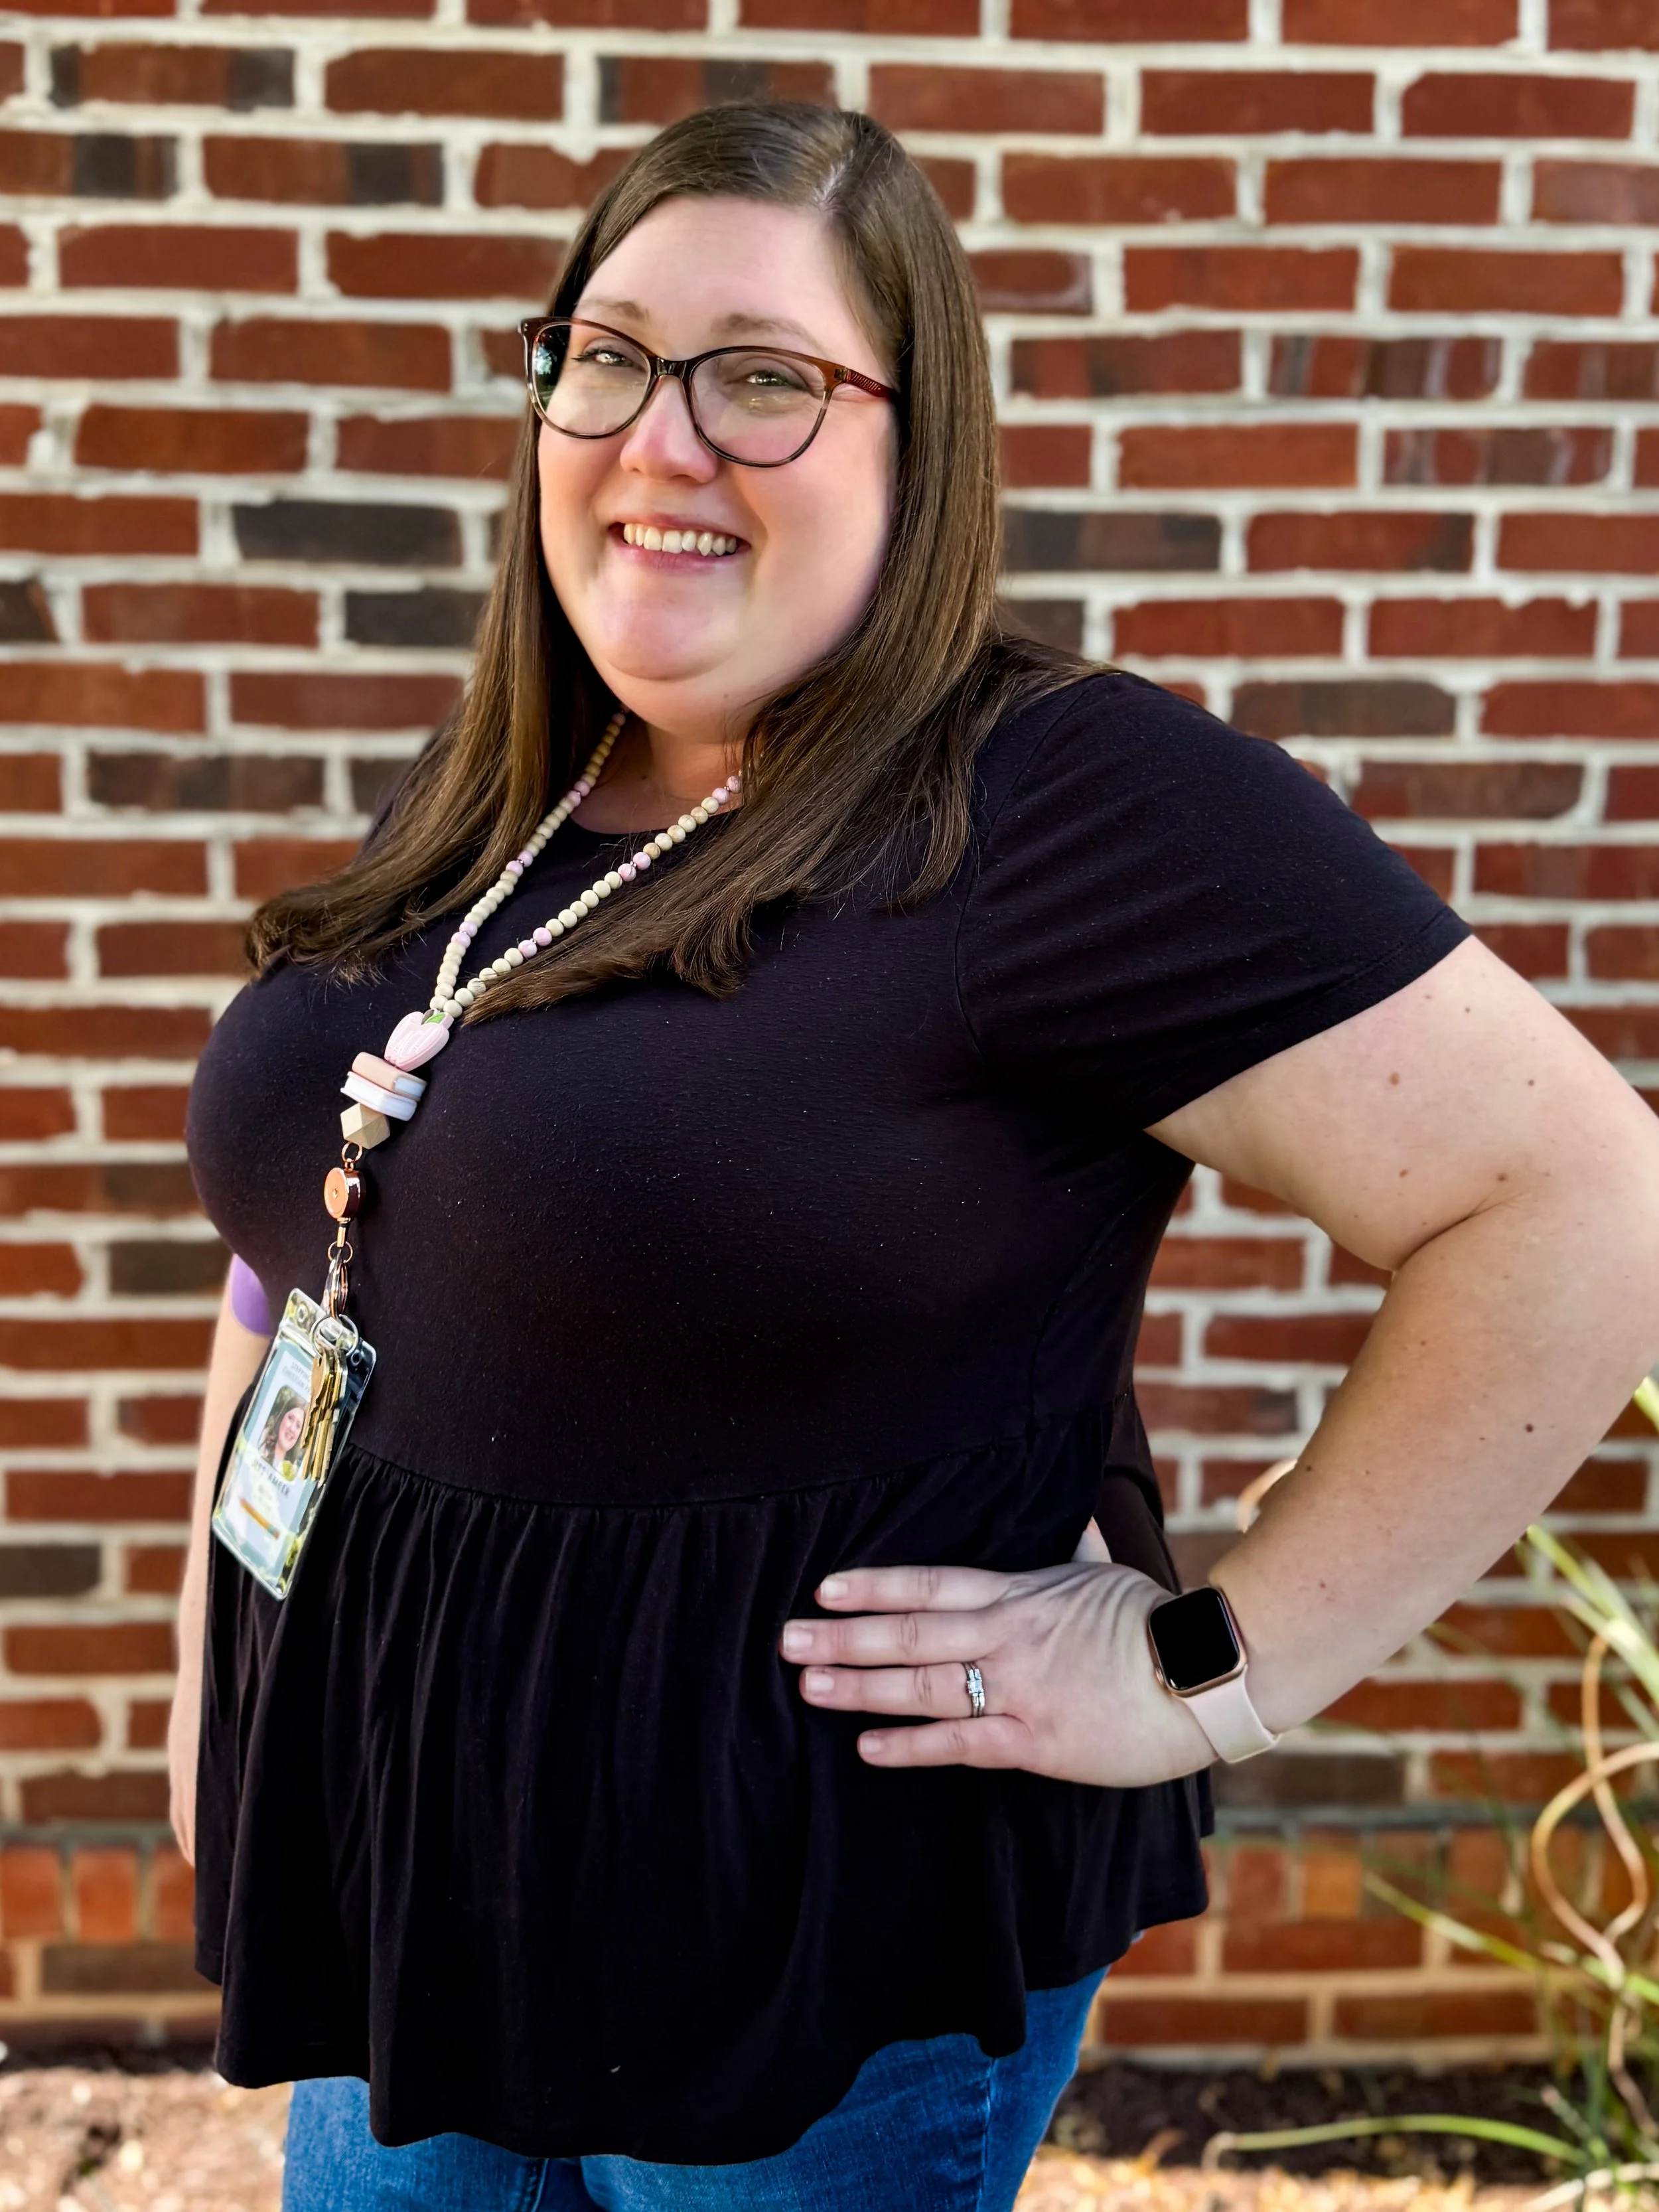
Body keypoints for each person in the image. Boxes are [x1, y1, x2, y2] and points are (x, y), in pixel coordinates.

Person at [171, 100, 1659, 2212]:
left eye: (762, 377)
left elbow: (1582, 1198)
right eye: (605, 355)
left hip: (803, 1954)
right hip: (423, 1894)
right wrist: (225, 1691)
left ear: (916, 435)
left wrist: (1207, 1672)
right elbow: (312, 1243)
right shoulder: (519, 782)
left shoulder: (1056, 807)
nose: (661, 438)